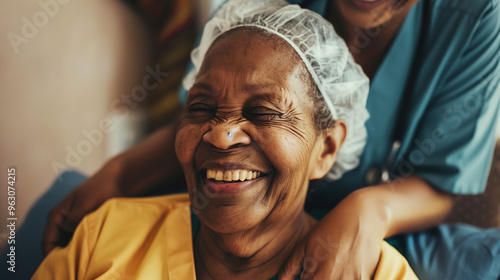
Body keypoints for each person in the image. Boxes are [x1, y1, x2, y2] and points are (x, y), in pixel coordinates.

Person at [42, 0, 500, 279]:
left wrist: (370, 209)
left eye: (265, 112)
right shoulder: (102, 239)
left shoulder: (385, 272)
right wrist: (120, 174)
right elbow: (216, 103)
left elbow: (446, 176)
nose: (222, 135)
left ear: (327, 146)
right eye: (203, 111)